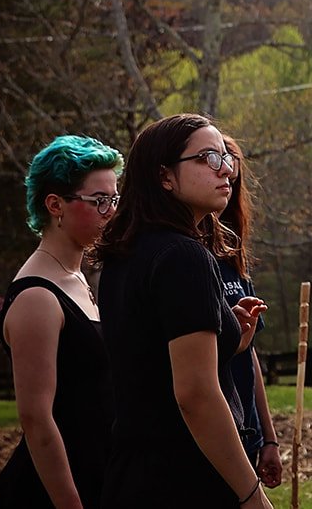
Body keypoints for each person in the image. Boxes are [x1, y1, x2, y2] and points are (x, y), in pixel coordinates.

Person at [94, 114, 273, 509]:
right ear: (164, 177)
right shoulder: (183, 256)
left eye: (226, 157)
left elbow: (151, 364)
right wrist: (251, 494)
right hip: (186, 479)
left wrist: (231, 340)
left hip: (132, 476)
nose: (226, 170)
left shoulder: (126, 256)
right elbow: (195, 393)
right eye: (208, 158)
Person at [0, 135, 122, 509]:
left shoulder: (79, 278)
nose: (111, 211)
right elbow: (36, 420)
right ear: (55, 205)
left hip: (97, 480)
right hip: (49, 496)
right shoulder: (37, 297)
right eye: (99, 201)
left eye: (114, 199)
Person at [216, 136, 282, 490]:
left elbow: (249, 352)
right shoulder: (183, 259)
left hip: (247, 432)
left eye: (233, 180)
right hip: (214, 431)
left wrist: (268, 438)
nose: (225, 187)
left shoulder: (233, 260)